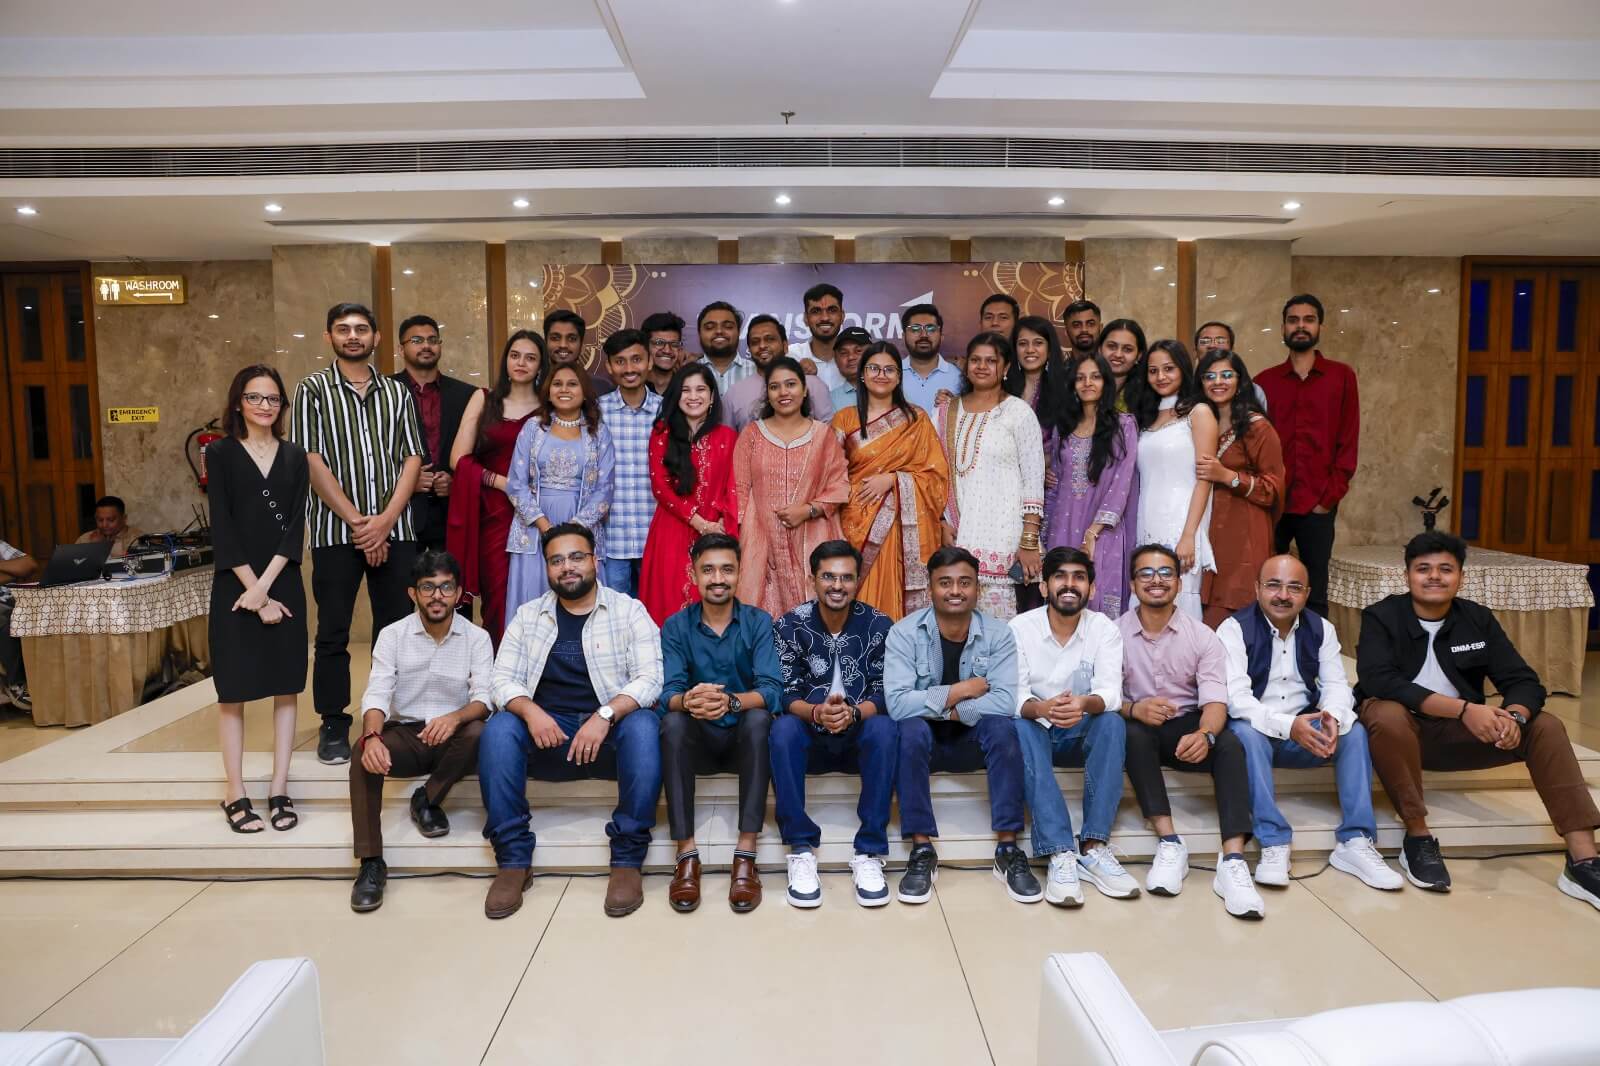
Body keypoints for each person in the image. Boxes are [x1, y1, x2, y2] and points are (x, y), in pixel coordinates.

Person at [1355, 532, 1600, 907]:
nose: (1434, 577)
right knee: (1385, 711)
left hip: (1458, 738)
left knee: (1546, 725)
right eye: (1423, 569)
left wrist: (1514, 718)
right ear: (1407, 576)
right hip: (1400, 738)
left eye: (1445, 569)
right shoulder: (1382, 617)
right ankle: (1418, 839)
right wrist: (1465, 710)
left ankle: (1583, 861)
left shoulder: (1476, 619)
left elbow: (1523, 681)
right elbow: (1379, 681)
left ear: (1460, 577)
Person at [480, 522, 665, 919]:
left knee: (646, 725)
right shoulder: (529, 616)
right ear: (547, 568)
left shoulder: (628, 610)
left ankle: (627, 859)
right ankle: (513, 861)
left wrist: (605, 715)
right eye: (557, 560)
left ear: (595, 560)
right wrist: (530, 712)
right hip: (548, 732)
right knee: (498, 728)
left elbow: (650, 679)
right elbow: (500, 679)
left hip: (608, 734)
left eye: (577, 557)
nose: (568, 567)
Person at [291, 302, 425, 765]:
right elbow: (311, 460)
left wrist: (385, 520)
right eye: (343, 329)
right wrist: (359, 523)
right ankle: (334, 721)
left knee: (398, 630)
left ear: (376, 337)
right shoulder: (311, 390)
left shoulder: (397, 392)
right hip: (334, 532)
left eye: (361, 329)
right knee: (332, 632)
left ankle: (391, 717)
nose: (353, 336)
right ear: (329, 337)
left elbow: (412, 459)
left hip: (396, 528)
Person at [1219, 555, 1401, 892]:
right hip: (1259, 732)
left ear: (1307, 593)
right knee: (1242, 732)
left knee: (1354, 731)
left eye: (1294, 587)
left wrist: (1331, 718)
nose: (1283, 595)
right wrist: (1290, 726)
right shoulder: (1233, 629)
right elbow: (1237, 699)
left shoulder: (1321, 628)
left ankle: (1356, 841)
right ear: (1257, 588)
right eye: (1273, 585)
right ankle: (1273, 842)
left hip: (1305, 731)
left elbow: (1335, 685)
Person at [886, 546, 1040, 904]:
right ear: (930, 588)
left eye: (964, 583)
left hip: (974, 738)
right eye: (945, 583)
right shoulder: (905, 633)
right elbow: (896, 705)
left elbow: (1003, 701)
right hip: (924, 741)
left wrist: (949, 709)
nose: (955, 591)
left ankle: (1007, 850)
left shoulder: (999, 634)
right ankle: (922, 849)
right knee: (907, 730)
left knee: (1004, 728)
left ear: (978, 589)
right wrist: (960, 691)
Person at [1120, 543, 1264, 919]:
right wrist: (1134, 707)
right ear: (1133, 582)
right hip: (1139, 722)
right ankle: (1170, 843)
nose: (1156, 581)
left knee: (1231, 744)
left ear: (1179, 582)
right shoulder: (1112, 634)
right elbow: (1101, 696)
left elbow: (1216, 700)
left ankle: (1233, 860)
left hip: (1188, 724)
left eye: (1165, 572)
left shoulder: (1202, 636)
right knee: (1130, 734)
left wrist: (1206, 735)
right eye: (1146, 573)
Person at [349, 550, 492, 912]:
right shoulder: (392, 636)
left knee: (479, 731)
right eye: (428, 587)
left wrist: (455, 718)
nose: (437, 596)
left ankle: (426, 799)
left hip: (453, 738)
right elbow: (378, 692)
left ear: (459, 593)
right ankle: (370, 861)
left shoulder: (477, 638)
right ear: (413, 593)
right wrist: (372, 738)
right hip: (408, 735)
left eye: (446, 587)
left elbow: (485, 698)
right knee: (360, 751)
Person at [207, 364, 310, 835]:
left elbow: (294, 529)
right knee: (235, 690)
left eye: (273, 399)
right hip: (235, 583)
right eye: (255, 398)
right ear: (238, 403)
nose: (265, 406)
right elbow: (223, 527)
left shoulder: (295, 457)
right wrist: (251, 589)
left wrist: (266, 588)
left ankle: (279, 786)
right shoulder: (222, 454)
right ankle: (235, 790)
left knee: (285, 685)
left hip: (281, 580)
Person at [658, 533, 783, 914]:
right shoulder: (676, 626)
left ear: (738, 574)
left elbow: (772, 690)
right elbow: (668, 693)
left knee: (760, 719)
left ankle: (745, 854)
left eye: (727, 570)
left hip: (745, 742)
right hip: (697, 741)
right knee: (672, 723)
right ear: (693, 574)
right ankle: (686, 855)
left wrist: (729, 700)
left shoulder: (758, 622)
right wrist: (691, 701)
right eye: (708, 570)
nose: (718, 578)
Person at [770, 541, 897, 908]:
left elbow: (887, 689)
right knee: (780, 730)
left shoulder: (878, 625)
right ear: (813, 580)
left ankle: (869, 851)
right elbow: (782, 689)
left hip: (860, 732)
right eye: (828, 576)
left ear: (858, 581)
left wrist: (855, 713)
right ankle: (801, 848)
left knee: (887, 729)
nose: (837, 585)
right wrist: (815, 712)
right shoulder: (791, 625)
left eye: (846, 577)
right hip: (809, 732)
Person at [1012, 547, 1141, 906]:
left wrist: (1082, 704)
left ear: (1092, 589)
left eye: (1079, 578)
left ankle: (1094, 846)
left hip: (1080, 726)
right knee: (1019, 727)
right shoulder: (1020, 629)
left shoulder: (1103, 629)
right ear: (1044, 586)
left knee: (1112, 723)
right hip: (1036, 726)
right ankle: (1059, 852)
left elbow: (1110, 694)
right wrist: (1043, 708)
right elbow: (1014, 694)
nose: (1070, 585)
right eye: (1060, 577)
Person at [1256, 294, 1359, 619]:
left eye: (1308, 319)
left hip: (1318, 502)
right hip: (1272, 503)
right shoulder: (1264, 382)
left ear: (1319, 326)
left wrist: (1328, 498)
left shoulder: (1341, 377)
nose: (1300, 326)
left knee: (1314, 589)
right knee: (1264, 583)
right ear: (1283, 327)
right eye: (1293, 320)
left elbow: (1348, 439)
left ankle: (1313, 661)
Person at [832, 341, 949, 622]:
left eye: (889, 369)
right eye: (874, 368)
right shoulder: (845, 419)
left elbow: (936, 475)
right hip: (855, 523)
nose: (881, 374)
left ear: (899, 376)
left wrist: (893, 479)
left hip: (903, 530)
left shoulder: (916, 418)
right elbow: (830, 473)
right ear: (862, 374)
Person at [933, 332, 1046, 621]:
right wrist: (941, 521)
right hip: (958, 537)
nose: (982, 367)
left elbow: (1034, 479)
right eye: (975, 360)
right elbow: (934, 474)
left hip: (1005, 540)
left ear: (1006, 368)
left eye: (991, 361)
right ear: (966, 365)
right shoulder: (946, 412)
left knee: (1001, 634)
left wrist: (1029, 541)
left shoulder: (1018, 413)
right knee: (958, 629)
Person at [446, 330, 543, 646]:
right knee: (497, 596)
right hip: (494, 512)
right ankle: (497, 680)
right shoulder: (484, 398)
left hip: (536, 512)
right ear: (505, 360)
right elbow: (458, 459)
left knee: (538, 595)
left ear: (541, 365)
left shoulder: (550, 406)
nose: (521, 363)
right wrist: (501, 483)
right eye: (515, 355)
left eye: (530, 357)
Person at [733, 356, 849, 617]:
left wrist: (807, 510)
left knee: (813, 615)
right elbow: (739, 491)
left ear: (804, 389)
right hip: (761, 543)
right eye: (775, 387)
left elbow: (840, 486)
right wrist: (748, 538)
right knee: (762, 619)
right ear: (767, 394)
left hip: (812, 537)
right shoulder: (752, 434)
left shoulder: (823, 435)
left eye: (791, 384)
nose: (783, 392)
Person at [504, 363, 614, 619]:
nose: (564, 389)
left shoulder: (598, 433)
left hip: (582, 528)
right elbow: (516, 483)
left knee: (582, 603)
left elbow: (604, 490)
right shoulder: (533, 428)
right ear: (548, 391)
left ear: (585, 392)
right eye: (557, 384)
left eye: (572, 384)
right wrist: (546, 528)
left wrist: (574, 531)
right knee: (533, 607)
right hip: (534, 532)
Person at [639, 364, 740, 625]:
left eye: (700, 389)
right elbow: (660, 486)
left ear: (712, 397)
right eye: (685, 390)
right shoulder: (662, 433)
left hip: (715, 532)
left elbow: (733, 486)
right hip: (671, 530)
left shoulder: (728, 437)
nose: (693, 396)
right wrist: (698, 521)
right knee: (668, 602)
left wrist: (718, 523)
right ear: (676, 395)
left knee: (710, 603)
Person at [1043, 353, 1139, 616]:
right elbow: (1055, 486)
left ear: (1106, 383)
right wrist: (1044, 534)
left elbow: (1123, 483)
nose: (1088, 383)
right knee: (1062, 599)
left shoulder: (1124, 425)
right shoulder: (1063, 428)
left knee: (1098, 601)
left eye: (1095, 377)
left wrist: (1093, 532)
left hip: (1102, 530)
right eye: (1081, 378)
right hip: (1062, 527)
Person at [1195, 350, 1284, 627]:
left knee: (1234, 617)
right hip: (1209, 530)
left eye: (1226, 375)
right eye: (1209, 376)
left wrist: (1228, 476)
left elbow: (1273, 489)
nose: (1217, 382)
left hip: (1243, 534)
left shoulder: (1257, 427)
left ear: (1240, 381)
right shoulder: (1201, 420)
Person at [1131, 340, 1217, 620]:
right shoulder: (1145, 417)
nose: (1160, 376)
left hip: (1182, 520)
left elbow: (1205, 479)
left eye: (1169, 369)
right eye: (1153, 370)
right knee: (1146, 592)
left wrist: (1189, 534)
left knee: (1177, 595)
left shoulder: (1198, 412)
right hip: (1147, 518)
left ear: (1183, 370)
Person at [392, 314, 476, 551]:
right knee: (401, 588)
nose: (426, 346)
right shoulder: (384, 391)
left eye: (432, 339)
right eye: (417, 340)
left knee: (452, 586)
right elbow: (372, 453)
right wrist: (407, 481)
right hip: (401, 515)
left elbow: (478, 453)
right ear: (401, 348)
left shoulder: (466, 395)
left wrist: (456, 480)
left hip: (451, 512)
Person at [597, 329, 662, 599]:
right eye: (620, 361)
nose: (629, 368)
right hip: (614, 539)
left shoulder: (666, 409)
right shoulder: (597, 411)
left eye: (636, 359)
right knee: (615, 616)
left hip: (656, 536)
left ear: (649, 361)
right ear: (610, 366)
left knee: (656, 614)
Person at [723, 314, 832, 431]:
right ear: (749, 350)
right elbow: (726, 442)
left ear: (785, 346)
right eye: (755, 342)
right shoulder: (734, 394)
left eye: (770, 339)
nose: (762, 346)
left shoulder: (812, 384)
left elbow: (829, 435)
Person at [899, 302, 961, 418]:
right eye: (915, 329)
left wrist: (954, 407)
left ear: (941, 336)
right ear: (903, 337)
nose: (923, 335)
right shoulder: (891, 375)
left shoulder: (959, 377)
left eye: (931, 329)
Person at [1194, 321, 1269, 413]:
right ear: (1195, 351)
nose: (1212, 345)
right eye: (1205, 341)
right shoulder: (1184, 389)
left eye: (1221, 341)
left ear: (1232, 350)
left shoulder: (1253, 391)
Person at [0, 537, 38, 711]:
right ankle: (16, 684)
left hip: (14, 597)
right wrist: (10, 570)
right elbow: (17, 570)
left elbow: (28, 565)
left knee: (46, 610)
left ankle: (49, 683)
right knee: (8, 618)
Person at [788, 282, 847, 392]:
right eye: (816, 311)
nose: (825, 318)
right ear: (806, 318)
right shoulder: (792, 356)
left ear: (842, 316)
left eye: (832, 310)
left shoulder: (854, 359)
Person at [1007, 314, 1069, 415]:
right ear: (1015, 349)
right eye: (1023, 344)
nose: (1030, 350)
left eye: (1038, 343)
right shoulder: (1003, 388)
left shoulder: (1065, 388)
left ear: (1049, 350)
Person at [695, 300, 755, 397]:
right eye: (710, 327)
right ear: (699, 334)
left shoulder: (756, 372)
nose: (719, 331)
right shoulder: (686, 373)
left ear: (739, 332)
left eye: (728, 326)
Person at [544, 308, 611, 391]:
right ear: (545, 344)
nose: (563, 345)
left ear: (582, 347)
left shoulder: (602, 387)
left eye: (572, 339)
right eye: (555, 338)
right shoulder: (532, 386)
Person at [1094, 318, 1146, 411]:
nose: (1118, 354)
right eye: (1112, 346)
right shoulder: (1083, 388)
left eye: (1127, 349)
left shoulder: (1146, 397)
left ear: (1139, 356)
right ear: (1099, 349)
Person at [76, 496, 144, 558]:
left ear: (124, 518)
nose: (104, 525)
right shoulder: (84, 539)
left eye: (111, 520)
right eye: (100, 520)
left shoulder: (139, 539)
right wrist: (94, 547)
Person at [641, 310, 687, 394]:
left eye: (674, 344)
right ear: (645, 346)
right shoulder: (634, 384)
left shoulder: (687, 386)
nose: (667, 350)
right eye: (659, 343)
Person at [828, 325, 871, 411]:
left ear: (873, 353)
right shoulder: (830, 399)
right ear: (836, 359)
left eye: (858, 351)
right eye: (844, 353)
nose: (851, 357)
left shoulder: (886, 389)